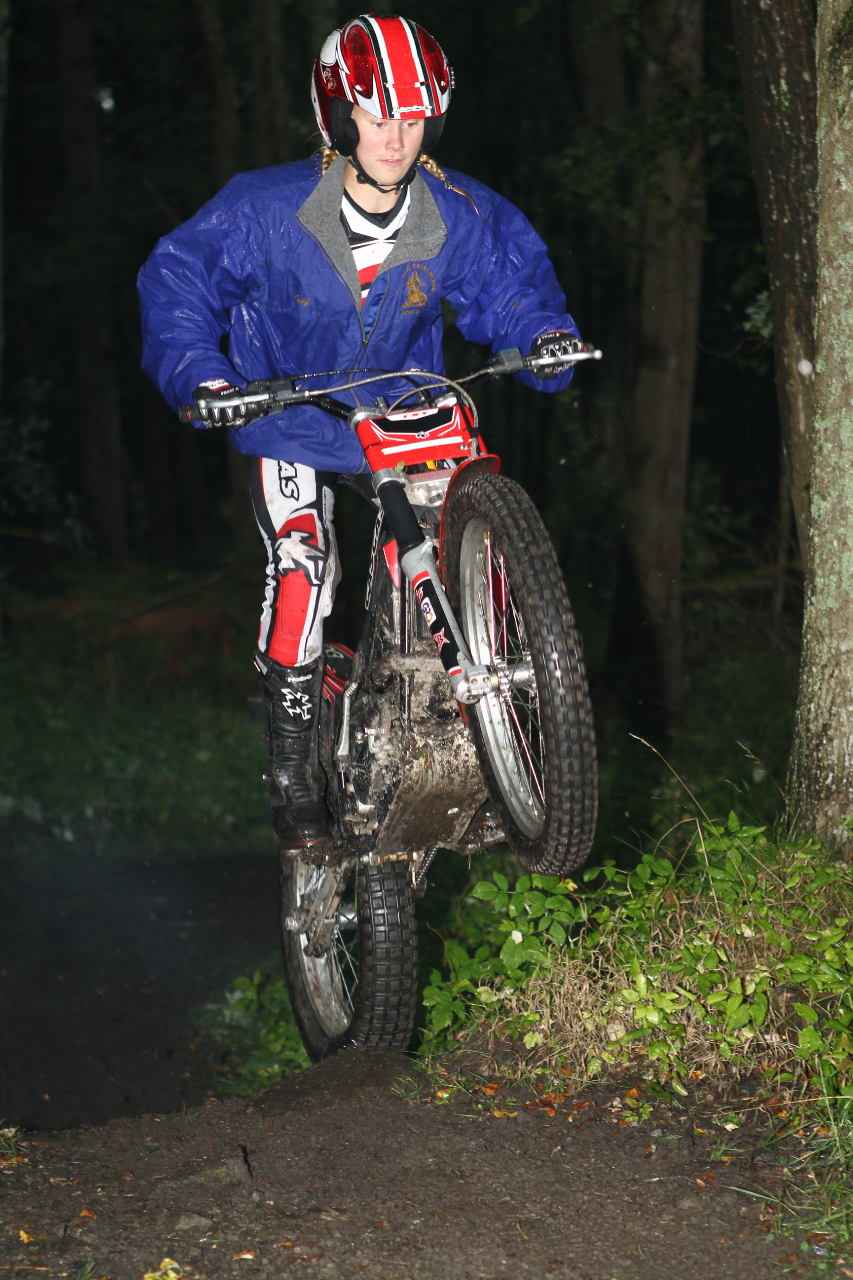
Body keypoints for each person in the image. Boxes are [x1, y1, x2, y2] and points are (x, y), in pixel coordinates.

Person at [137, 13, 583, 853]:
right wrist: (201, 375)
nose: (394, 137)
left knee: (440, 566)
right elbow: (177, 281)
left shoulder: (457, 210)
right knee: (304, 565)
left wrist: (544, 338)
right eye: (376, 118)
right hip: (291, 415)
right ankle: (291, 766)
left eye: (412, 119)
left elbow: (512, 289)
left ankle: (487, 754)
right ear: (338, 118)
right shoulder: (264, 208)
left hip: (403, 414)